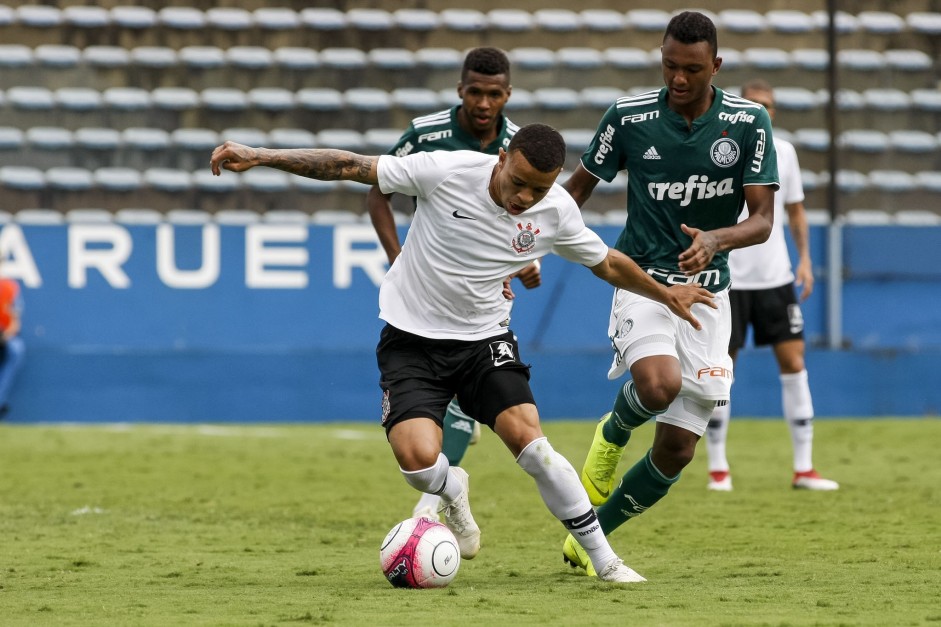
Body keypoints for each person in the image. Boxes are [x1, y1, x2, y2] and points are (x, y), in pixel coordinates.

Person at [210, 123, 717, 583]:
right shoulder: (446, 170)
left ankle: (605, 560)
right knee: (416, 462)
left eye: (537, 189)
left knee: (534, 448)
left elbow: (605, 262)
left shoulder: (556, 210)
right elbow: (350, 166)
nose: (524, 197)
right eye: (517, 181)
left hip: (484, 342)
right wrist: (260, 155)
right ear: (501, 157)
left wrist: (666, 294)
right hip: (411, 339)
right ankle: (451, 486)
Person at [557, 11, 780, 576]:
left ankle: (592, 535)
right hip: (644, 281)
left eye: (692, 69)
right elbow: (572, 195)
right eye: (669, 66)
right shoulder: (628, 118)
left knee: (678, 451)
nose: (679, 79)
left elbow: (762, 220)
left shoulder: (749, 121)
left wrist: (716, 239)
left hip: (708, 296)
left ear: (716, 66)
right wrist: (518, 242)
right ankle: (612, 433)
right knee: (658, 385)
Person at [365, 46, 542, 520]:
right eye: (475, 93)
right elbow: (378, 193)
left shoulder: (519, 146)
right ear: (460, 90)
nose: (484, 104)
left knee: (470, 406)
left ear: (507, 95)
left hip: (484, 300)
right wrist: (397, 255)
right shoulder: (427, 135)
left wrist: (522, 262)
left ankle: (430, 511)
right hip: (428, 291)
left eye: (494, 94)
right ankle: (443, 493)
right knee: (435, 414)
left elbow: (528, 222)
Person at [704, 79, 839, 492]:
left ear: (773, 112)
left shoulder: (785, 153)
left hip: (776, 278)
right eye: (754, 104)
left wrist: (806, 261)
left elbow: (795, 212)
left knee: (795, 364)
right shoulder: (719, 149)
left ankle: (803, 468)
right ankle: (718, 469)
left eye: (768, 105)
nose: (762, 110)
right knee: (721, 371)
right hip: (728, 279)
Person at [0, 277, 25, 419]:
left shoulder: (9, 287)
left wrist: (5, 335)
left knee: (16, 348)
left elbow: (15, 321)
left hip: (4, 334)